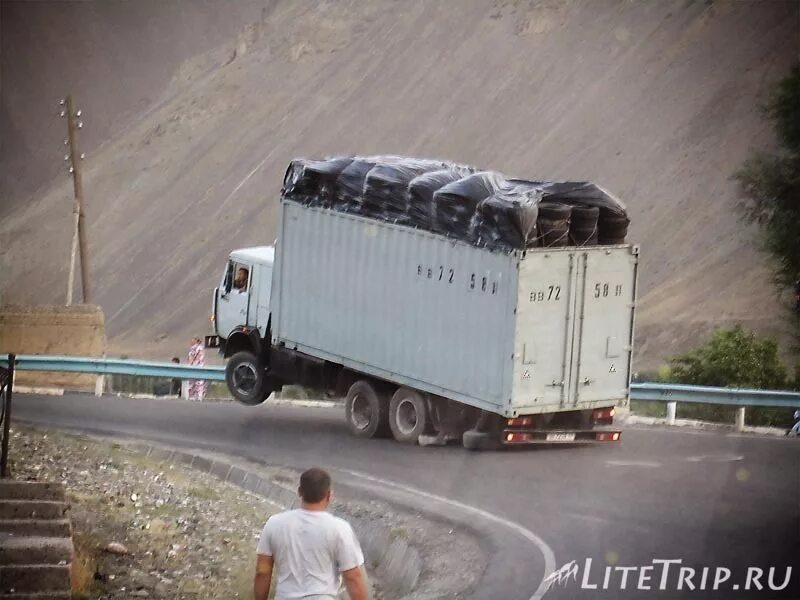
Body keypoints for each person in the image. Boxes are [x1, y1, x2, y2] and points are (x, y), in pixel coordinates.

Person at [254, 468, 368, 600]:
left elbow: (262, 571)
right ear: (329, 495)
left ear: (299, 492)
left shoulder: (274, 524)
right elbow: (352, 576)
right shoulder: (339, 528)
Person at [187, 337, 207, 401]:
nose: (191, 341)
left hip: (194, 366)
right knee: (200, 382)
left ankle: (193, 395)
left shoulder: (193, 348)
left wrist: (190, 365)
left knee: (192, 382)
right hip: (201, 366)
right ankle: (200, 395)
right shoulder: (201, 348)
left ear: (196, 341)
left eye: (192, 340)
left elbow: (191, 358)